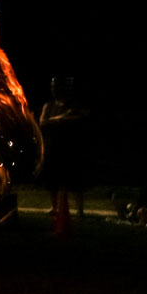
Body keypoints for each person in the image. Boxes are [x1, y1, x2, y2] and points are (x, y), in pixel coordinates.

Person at [39, 77, 89, 218]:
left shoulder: (75, 105)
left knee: (74, 179)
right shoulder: (49, 106)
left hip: (70, 148)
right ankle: (54, 207)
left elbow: (79, 119)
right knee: (52, 180)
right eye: (52, 87)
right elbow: (42, 122)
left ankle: (80, 209)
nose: (53, 90)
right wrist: (61, 118)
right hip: (53, 147)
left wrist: (56, 120)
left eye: (56, 87)